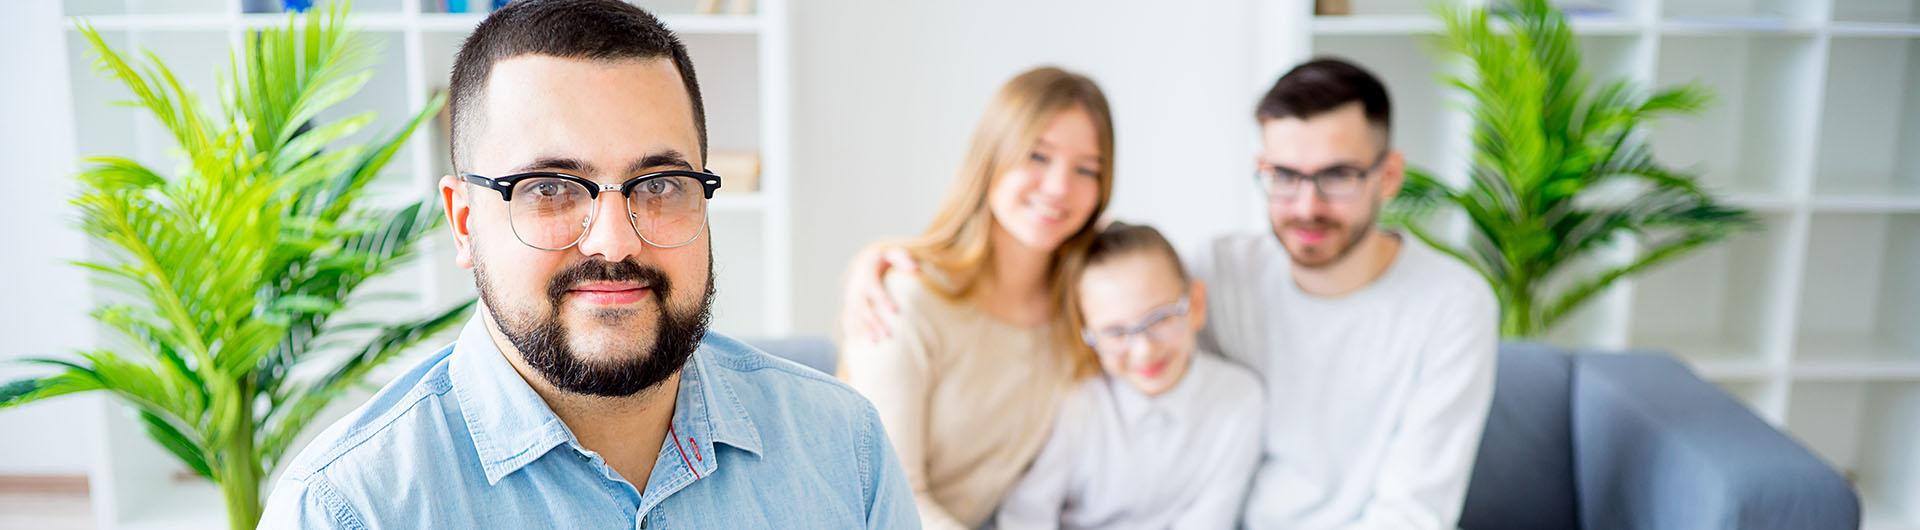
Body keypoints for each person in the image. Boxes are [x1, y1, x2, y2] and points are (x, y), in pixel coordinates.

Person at [260, 1, 916, 527]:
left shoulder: (843, 448)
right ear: (464, 222)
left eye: (659, 184)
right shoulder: (348, 509)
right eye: (550, 188)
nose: (613, 242)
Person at [842, 58, 1497, 529]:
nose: (1306, 205)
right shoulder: (1220, 267)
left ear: (1388, 176)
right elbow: (884, 498)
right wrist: (870, 267)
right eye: (1284, 176)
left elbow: (1414, 511)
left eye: (1337, 177)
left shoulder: (1453, 304)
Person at [836, 66, 1116, 530]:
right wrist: (867, 262)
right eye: (1037, 156)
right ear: (992, 157)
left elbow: (1162, 287)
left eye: (1087, 169)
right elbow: (890, 504)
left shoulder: (1082, 307)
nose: (1059, 188)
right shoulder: (907, 299)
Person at [993, 222, 1263, 530]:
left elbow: (1209, 520)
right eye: (1115, 332)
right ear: (1088, 337)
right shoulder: (1076, 402)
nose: (1144, 350)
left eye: (1160, 318)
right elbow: (1026, 516)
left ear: (1196, 305)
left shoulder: (1239, 399)